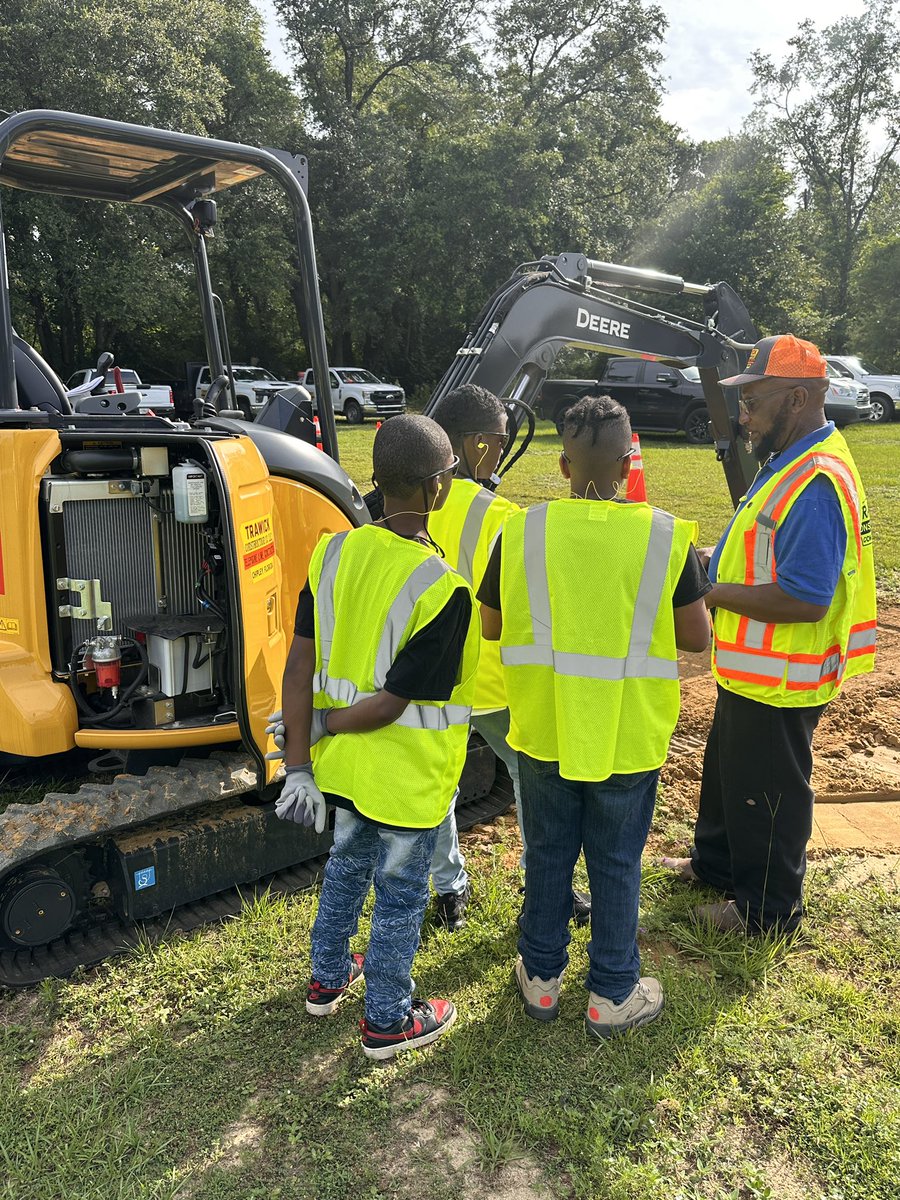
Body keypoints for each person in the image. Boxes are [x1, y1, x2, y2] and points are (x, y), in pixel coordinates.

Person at [479, 394, 712, 1038]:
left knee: (547, 854)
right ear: (627, 463)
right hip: (627, 737)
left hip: (544, 730)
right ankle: (613, 991)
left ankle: (542, 979)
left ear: (562, 464)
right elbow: (696, 638)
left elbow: (493, 625)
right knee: (616, 861)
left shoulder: (521, 531)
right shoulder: (666, 535)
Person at [275, 414, 480, 1060]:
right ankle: (387, 1021)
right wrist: (332, 723)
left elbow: (300, 663)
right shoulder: (441, 589)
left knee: (344, 871)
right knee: (398, 896)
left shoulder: (333, 552)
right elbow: (393, 703)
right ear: (437, 488)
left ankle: (327, 978)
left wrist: (302, 751)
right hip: (404, 777)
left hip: (343, 770)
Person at [661, 334, 876, 933]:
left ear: (799, 397)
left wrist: (708, 592)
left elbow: (805, 599)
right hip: (753, 669)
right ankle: (716, 865)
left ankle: (766, 910)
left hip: (785, 675)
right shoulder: (789, 459)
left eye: (754, 401)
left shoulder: (815, 481)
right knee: (729, 774)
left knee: (769, 795)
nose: (743, 415)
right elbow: (763, 552)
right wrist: (711, 561)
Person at [427, 384, 591, 930]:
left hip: (428, 682)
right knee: (532, 783)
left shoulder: (407, 499)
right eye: (497, 441)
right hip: (494, 683)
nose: (501, 452)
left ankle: (448, 889)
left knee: (436, 787)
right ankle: (547, 885)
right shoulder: (502, 515)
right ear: (475, 445)